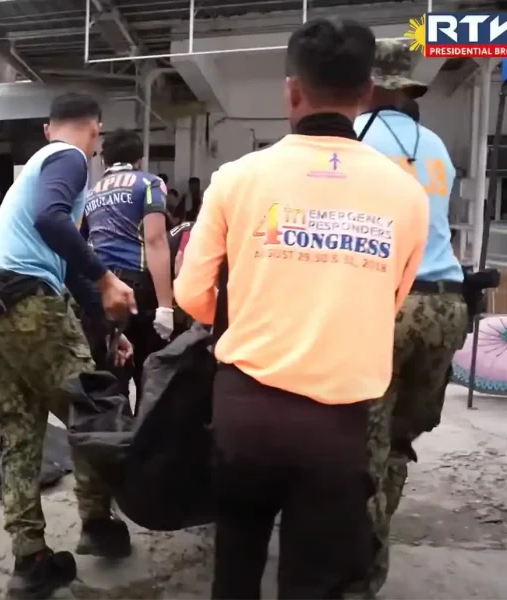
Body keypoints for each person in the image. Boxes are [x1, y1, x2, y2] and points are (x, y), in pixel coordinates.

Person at [174, 18, 431, 598]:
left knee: (235, 570)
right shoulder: (405, 194)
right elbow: (391, 297)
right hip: (338, 429)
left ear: (291, 90)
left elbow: (192, 296)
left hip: (245, 413)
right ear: (367, 94)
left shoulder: (237, 178)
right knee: (312, 581)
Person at [0, 92, 137, 599]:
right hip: (23, 299)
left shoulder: (37, 164)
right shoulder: (70, 157)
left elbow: (65, 262)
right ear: (96, 131)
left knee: (19, 432)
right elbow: (51, 221)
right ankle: (98, 524)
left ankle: (30, 558)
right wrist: (107, 279)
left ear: (45, 127)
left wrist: (109, 331)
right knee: (94, 412)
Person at [350, 40, 469, 597]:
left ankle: (360, 574)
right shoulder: (437, 144)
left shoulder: (357, 139)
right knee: (399, 439)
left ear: (368, 84)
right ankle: (377, 535)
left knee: (365, 443)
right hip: (449, 305)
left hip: (392, 302)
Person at [82, 128, 174, 394]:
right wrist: (166, 306)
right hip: (138, 288)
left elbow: (82, 246)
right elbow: (155, 240)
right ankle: (145, 434)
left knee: (112, 376)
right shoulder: (149, 184)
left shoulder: (90, 194)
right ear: (139, 160)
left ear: (103, 161)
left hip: (101, 290)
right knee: (149, 374)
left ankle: (115, 434)